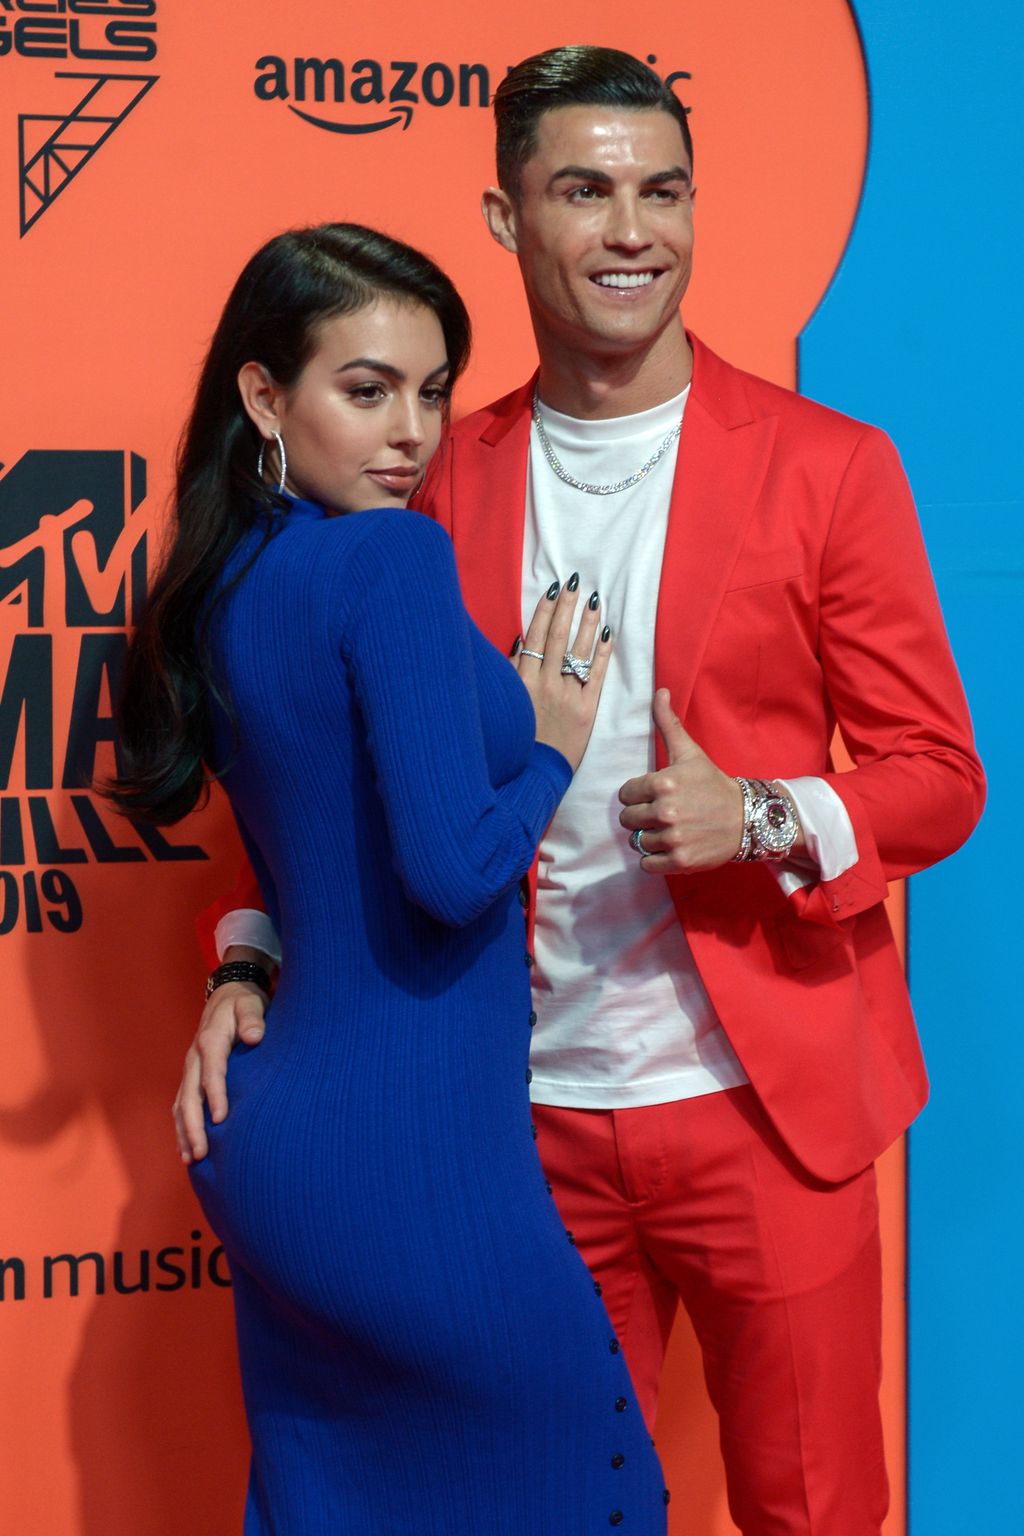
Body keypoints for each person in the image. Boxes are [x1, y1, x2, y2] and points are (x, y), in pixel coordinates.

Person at [178, 51, 985, 1536]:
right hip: (515, 1121)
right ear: (505, 217)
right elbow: (307, 751)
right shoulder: (424, 468)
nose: (633, 230)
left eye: (663, 190)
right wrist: (248, 952)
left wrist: (764, 814)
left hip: (766, 1104)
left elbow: (941, 776)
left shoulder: (830, 466)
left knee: (816, 1511)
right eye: (585, 190)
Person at [109, 222, 670, 1533]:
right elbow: (446, 870)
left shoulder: (231, 576)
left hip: (276, 1152)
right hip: (411, 1157)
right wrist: (548, 747)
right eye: (367, 391)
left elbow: (305, 830)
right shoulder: (390, 559)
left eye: (430, 390)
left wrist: (242, 958)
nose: (410, 430)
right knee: (592, 1498)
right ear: (266, 393)